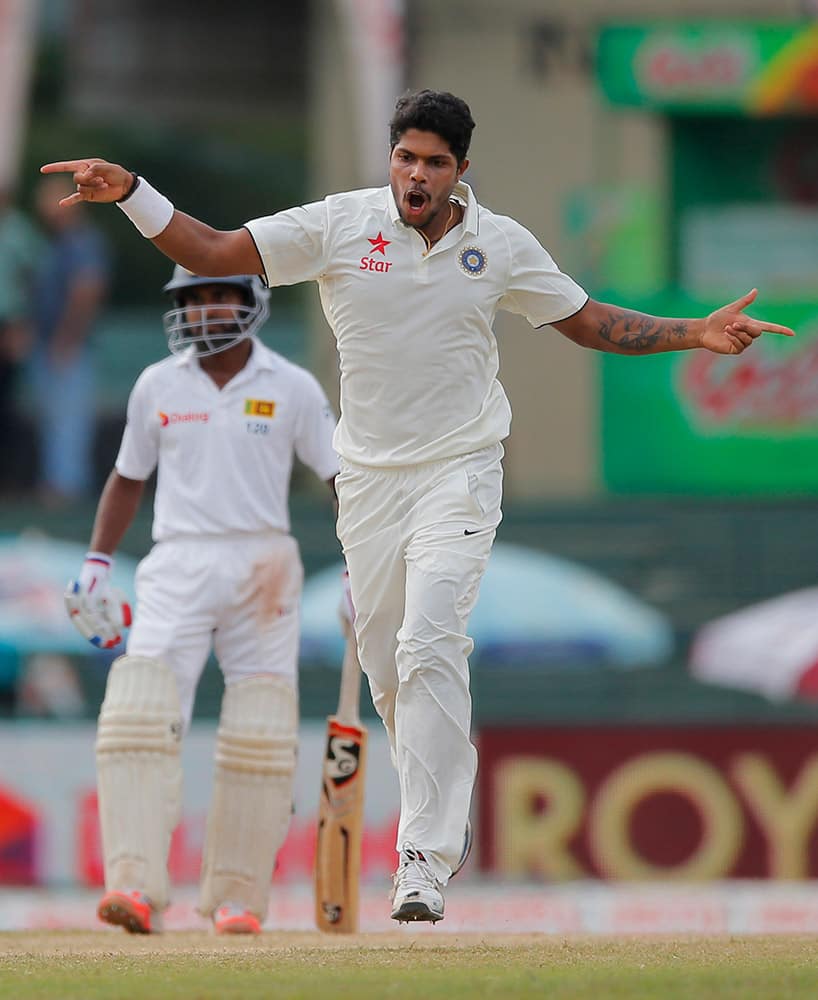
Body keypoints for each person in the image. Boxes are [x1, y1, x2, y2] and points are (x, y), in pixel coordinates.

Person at [43, 89, 795, 925]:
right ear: (391, 158)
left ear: (460, 171)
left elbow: (585, 323)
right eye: (406, 157)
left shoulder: (499, 244)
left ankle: (424, 858)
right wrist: (133, 192)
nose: (417, 174)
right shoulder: (338, 223)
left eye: (435, 162)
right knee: (392, 669)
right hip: (368, 480)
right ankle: (432, 823)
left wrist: (696, 332)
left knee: (431, 638)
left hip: (462, 467)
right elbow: (215, 250)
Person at [64, 265, 339, 934]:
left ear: (251, 303)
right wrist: (98, 562)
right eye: (195, 299)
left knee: (261, 727)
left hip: (263, 563)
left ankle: (239, 896)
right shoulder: (158, 383)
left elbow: (341, 478)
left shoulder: (293, 386)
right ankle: (133, 888)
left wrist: (364, 565)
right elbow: (127, 479)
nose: (208, 310)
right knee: (138, 714)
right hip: (177, 558)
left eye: (221, 296)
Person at [30, 175, 111, 505]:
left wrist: (67, 339)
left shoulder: (82, 242)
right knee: (53, 416)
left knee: (68, 419)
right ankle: (57, 482)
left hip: (68, 345)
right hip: (49, 342)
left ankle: (66, 487)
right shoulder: (57, 242)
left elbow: (87, 292)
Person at [0, 188, 43, 494]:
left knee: (6, 404)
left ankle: (8, 477)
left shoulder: (17, 229)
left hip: (7, 325)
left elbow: (33, 278)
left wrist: (22, 323)